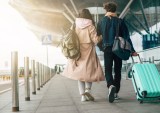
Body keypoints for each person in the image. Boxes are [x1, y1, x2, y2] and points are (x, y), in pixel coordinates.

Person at [97, 2, 138, 103]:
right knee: (117, 70)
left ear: (106, 10)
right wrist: (132, 51)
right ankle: (115, 93)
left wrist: (102, 47)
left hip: (107, 48)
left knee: (108, 69)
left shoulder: (101, 22)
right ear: (115, 10)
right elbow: (127, 37)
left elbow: (98, 38)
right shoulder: (120, 21)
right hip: (118, 48)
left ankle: (110, 85)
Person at [62, 9, 105, 102]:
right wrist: (102, 36)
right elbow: (96, 40)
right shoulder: (90, 26)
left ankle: (82, 96)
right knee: (89, 73)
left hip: (77, 51)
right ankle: (87, 91)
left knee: (79, 74)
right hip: (88, 50)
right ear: (89, 16)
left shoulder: (74, 25)